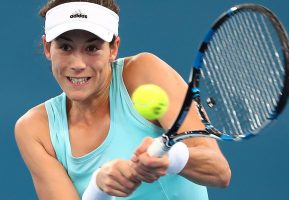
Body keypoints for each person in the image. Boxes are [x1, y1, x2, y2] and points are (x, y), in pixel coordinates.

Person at [15, 0, 231, 199]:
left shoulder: (144, 72)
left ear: (113, 48)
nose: (78, 63)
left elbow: (219, 172)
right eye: (65, 47)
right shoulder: (35, 129)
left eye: (92, 48)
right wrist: (98, 187)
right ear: (47, 48)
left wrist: (170, 157)